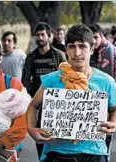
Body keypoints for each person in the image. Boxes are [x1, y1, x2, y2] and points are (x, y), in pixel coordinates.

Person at [26, 24, 116, 162]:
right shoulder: (53, 79)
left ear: (92, 49)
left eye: (82, 46)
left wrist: (114, 123)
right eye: (72, 46)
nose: (77, 53)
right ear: (66, 50)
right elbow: (33, 105)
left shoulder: (105, 81)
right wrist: (31, 129)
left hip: (93, 152)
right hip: (56, 153)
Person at [21, 22, 66, 158]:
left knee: (57, 135)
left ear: (49, 36)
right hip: (38, 103)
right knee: (39, 135)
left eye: (43, 34)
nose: (40, 37)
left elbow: (66, 77)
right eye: (38, 35)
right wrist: (28, 99)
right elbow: (26, 79)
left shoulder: (58, 55)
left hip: (56, 102)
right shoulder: (31, 57)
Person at [88, 24, 116, 155]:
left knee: (112, 130)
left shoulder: (112, 52)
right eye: (91, 38)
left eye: (96, 37)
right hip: (91, 100)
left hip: (113, 98)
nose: (94, 41)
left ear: (101, 36)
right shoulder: (86, 51)